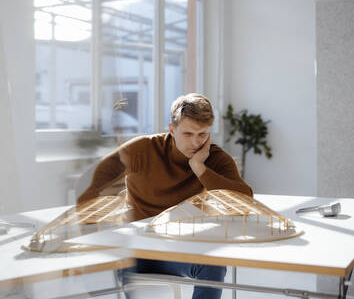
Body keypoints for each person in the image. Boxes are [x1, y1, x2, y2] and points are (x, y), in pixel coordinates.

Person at [77, 93, 253, 299]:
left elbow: (245, 201)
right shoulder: (142, 149)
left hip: (179, 250)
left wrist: (199, 168)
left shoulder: (215, 158)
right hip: (137, 250)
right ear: (172, 129)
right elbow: (92, 184)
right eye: (188, 134)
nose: (195, 142)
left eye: (202, 134)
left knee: (214, 264)